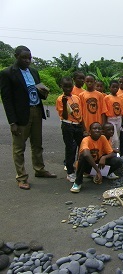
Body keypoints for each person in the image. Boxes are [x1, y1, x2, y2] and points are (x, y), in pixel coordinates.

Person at [0, 45, 57, 190]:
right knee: (19, 148)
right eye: (24, 58)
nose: (27, 60)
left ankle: (39, 169)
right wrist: (12, 122)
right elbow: (7, 99)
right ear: (16, 57)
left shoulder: (34, 71)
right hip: (20, 116)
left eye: (29, 58)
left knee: (37, 144)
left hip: (36, 111)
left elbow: (39, 90)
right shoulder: (7, 73)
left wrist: (44, 92)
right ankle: (21, 177)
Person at [70, 122, 123, 193]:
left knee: (118, 161)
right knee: (83, 156)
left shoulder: (103, 138)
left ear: (102, 131)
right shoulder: (86, 140)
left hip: (97, 163)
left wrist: (104, 158)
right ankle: (78, 182)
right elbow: (86, 154)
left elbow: (111, 153)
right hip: (87, 166)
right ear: (90, 132)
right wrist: (98, 171)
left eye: (99, 129)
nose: (97, 130)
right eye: (94, 128)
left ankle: (101, 175)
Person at [56, 77, 85, 183]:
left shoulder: (76, 98)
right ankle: (70, 172)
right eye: (65, 86)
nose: (68, 89)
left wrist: (83, 126)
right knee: (70, 148)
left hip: (78, 125)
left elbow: (80, 114)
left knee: (81, 147)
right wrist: (64, 104)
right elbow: (64, 116)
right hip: (68, 125)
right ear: (61, 86)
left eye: (70, 86)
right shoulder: (60, 99)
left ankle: (80, 167)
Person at [104, 80, 123, 151]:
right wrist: (105, 122)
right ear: (109, 87)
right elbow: (104, 111)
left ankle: (116, 152)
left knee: (117, 136)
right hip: (111, 119)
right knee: (114, 137)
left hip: (118, 119)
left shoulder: (120, 98)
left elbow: (122, 111)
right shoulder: (107, 98)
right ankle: (112, 151)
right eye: (113, 87)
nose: (115, 89)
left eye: (116, 87)